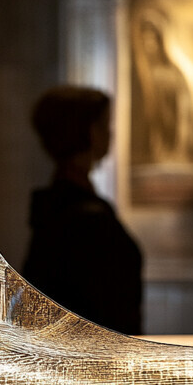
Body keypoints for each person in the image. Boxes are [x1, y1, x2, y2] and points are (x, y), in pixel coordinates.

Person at [22, 86, 142, 334]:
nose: (111, 134)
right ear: (90, 132)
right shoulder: (86, 217)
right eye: (105, 125)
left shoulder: (56, 207)